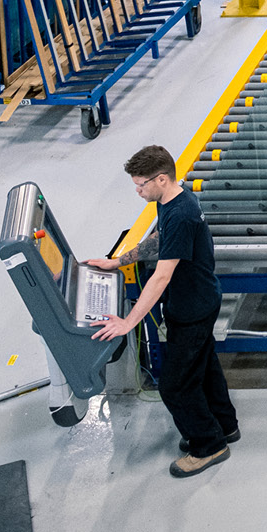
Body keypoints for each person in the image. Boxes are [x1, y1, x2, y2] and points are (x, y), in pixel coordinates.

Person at [88, 146, 238, 478]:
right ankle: (225, 426)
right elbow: (159, 239)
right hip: (200, 298)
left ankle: (208, 445)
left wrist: (129, 322)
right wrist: (116, 261)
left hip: (192, 307)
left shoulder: (183, 213)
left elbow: (162, 275)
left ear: (160, 178)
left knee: (174, 385)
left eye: (141, 185)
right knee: (205, 367)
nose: (138, 191)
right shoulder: (173, 199)